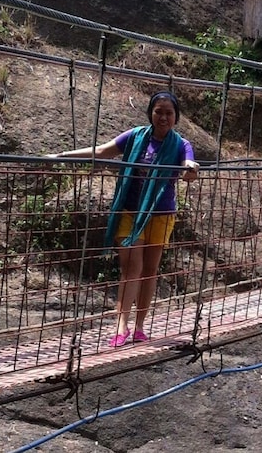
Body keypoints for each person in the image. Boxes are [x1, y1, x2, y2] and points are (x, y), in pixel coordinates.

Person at [49, 91, 199, 347]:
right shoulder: (135, 136)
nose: (163, 117)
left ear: (176, 117)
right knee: (131, 268)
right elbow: (102, 150)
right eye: (158, 111)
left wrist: (190, 170)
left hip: (161, 214)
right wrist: (62, 156)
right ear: (150, 113)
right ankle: (121, 325)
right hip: (130, 210)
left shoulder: (181, 144)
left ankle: (140, 326)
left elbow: (189, 166)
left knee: (150, 271)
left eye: (168, 113)